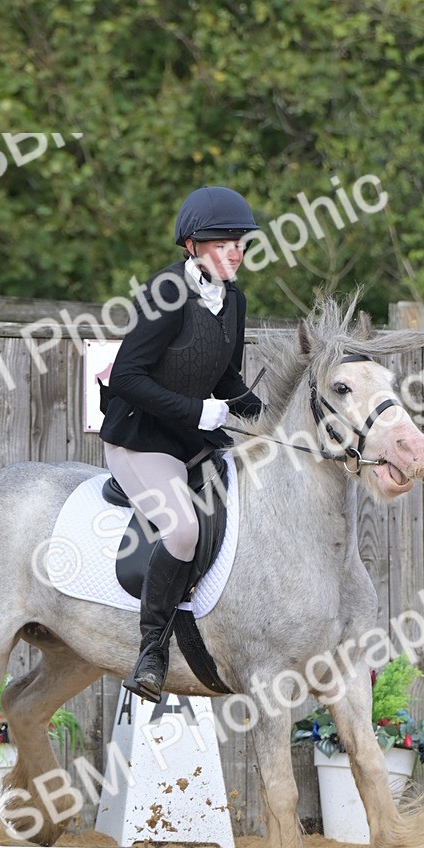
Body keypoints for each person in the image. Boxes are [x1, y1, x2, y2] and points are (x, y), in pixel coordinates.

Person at [99, 185, 264, 702]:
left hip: (192, 438)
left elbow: (227, 376)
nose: (235, 251)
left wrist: (262, 413)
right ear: (193, 245)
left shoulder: (233, 299)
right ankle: (152, 652)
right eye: (223, 242)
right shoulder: (167, 293)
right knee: (185, 529)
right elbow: (126, 375)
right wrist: (198, 410)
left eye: (240, 241)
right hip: (141, 438)